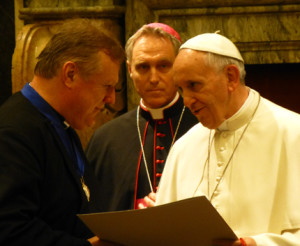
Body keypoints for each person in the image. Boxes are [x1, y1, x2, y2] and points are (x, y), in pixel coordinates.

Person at [155, 33, 300, 246]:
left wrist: (255, 244)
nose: (186, 101)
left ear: (231, 77)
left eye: (194, 85)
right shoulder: (183, 147)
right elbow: (164, 233)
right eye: (181, 89)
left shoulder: (293, 133)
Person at [0, 18, 125, 246]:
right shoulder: (13, 131)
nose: (111, 100)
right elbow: (9, 230)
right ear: (70, 74)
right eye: (106, 86)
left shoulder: (60, 124)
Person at [85, 23, 198, 211]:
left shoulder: (205, 128)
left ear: (179, 66)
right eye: (143, 67)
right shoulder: (105, 140)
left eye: (163, 66)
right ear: (130, 69)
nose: (153, 78)